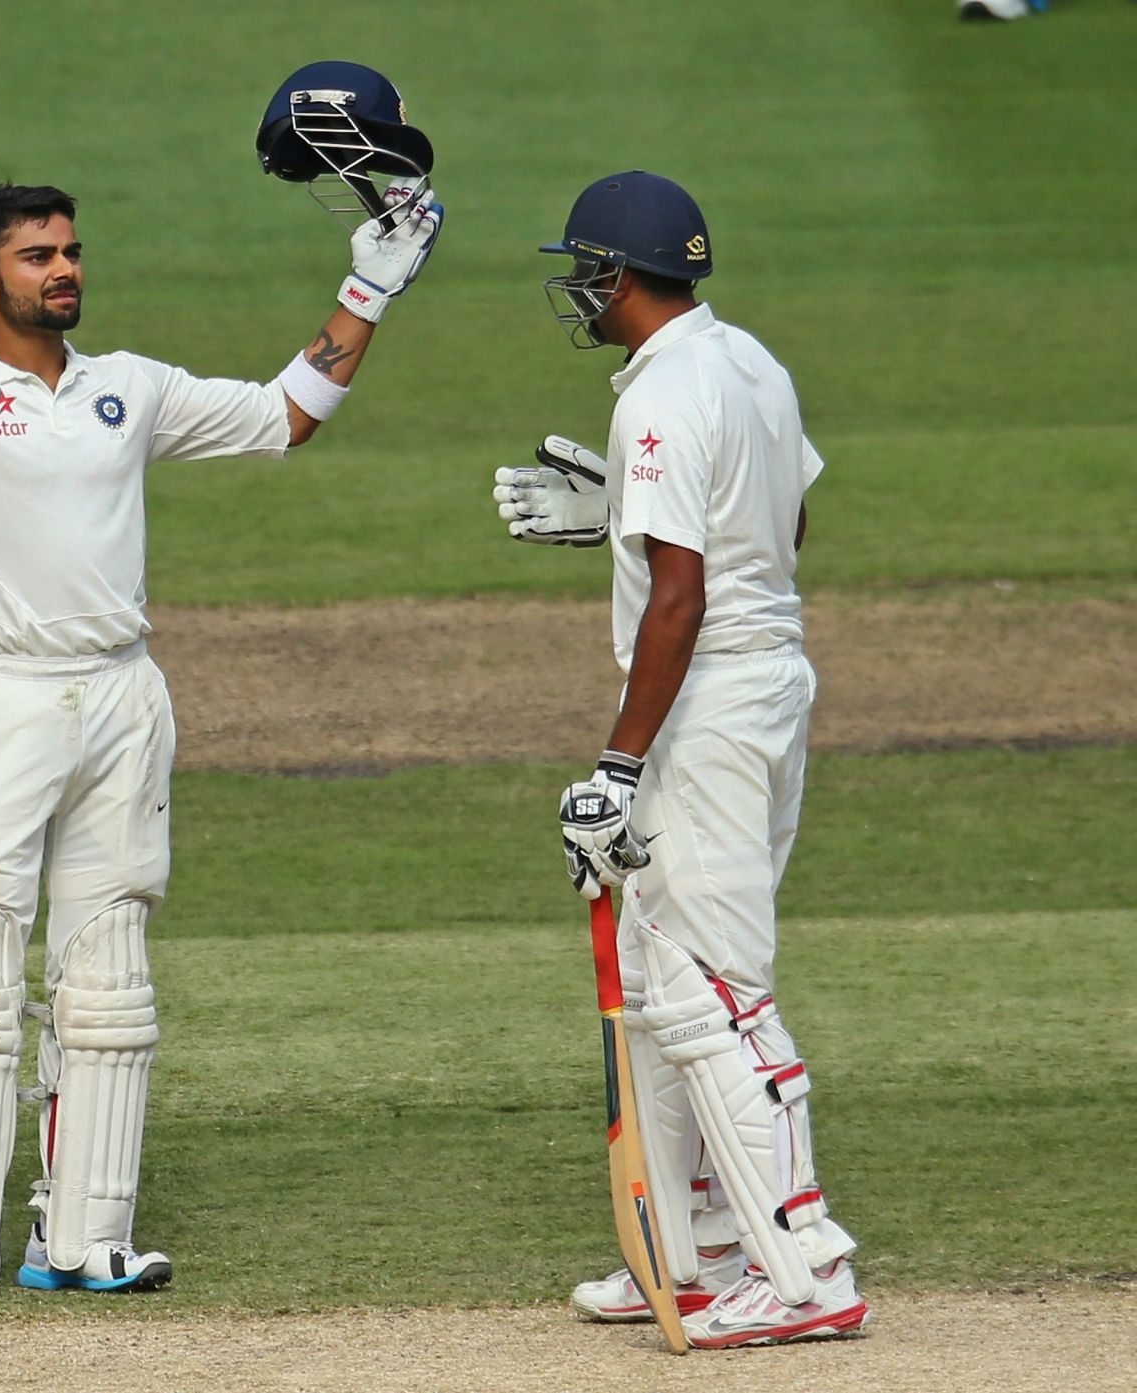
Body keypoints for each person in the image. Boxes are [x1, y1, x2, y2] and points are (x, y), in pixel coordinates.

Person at [0, 164, 440, 1307]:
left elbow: (285, 416)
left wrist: (367, 291)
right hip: (4, 697)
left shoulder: (132, 385)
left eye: (69, 251)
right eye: (36, 255)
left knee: (107, 962)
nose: (63, 270)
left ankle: (83, 1235)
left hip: (123, 696)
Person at [495, 170, 869, 1348]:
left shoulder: (658, 396)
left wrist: (617, 764)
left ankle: (805, 1272)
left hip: (703, 709)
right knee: (671, 978)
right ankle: (698, 1251)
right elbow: (784, 521)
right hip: (771, 688)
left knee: (713, 986)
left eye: (583, 270)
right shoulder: (749, 359)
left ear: (619, 272)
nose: (578, 290)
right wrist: (627, 514)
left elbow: (680, 597)